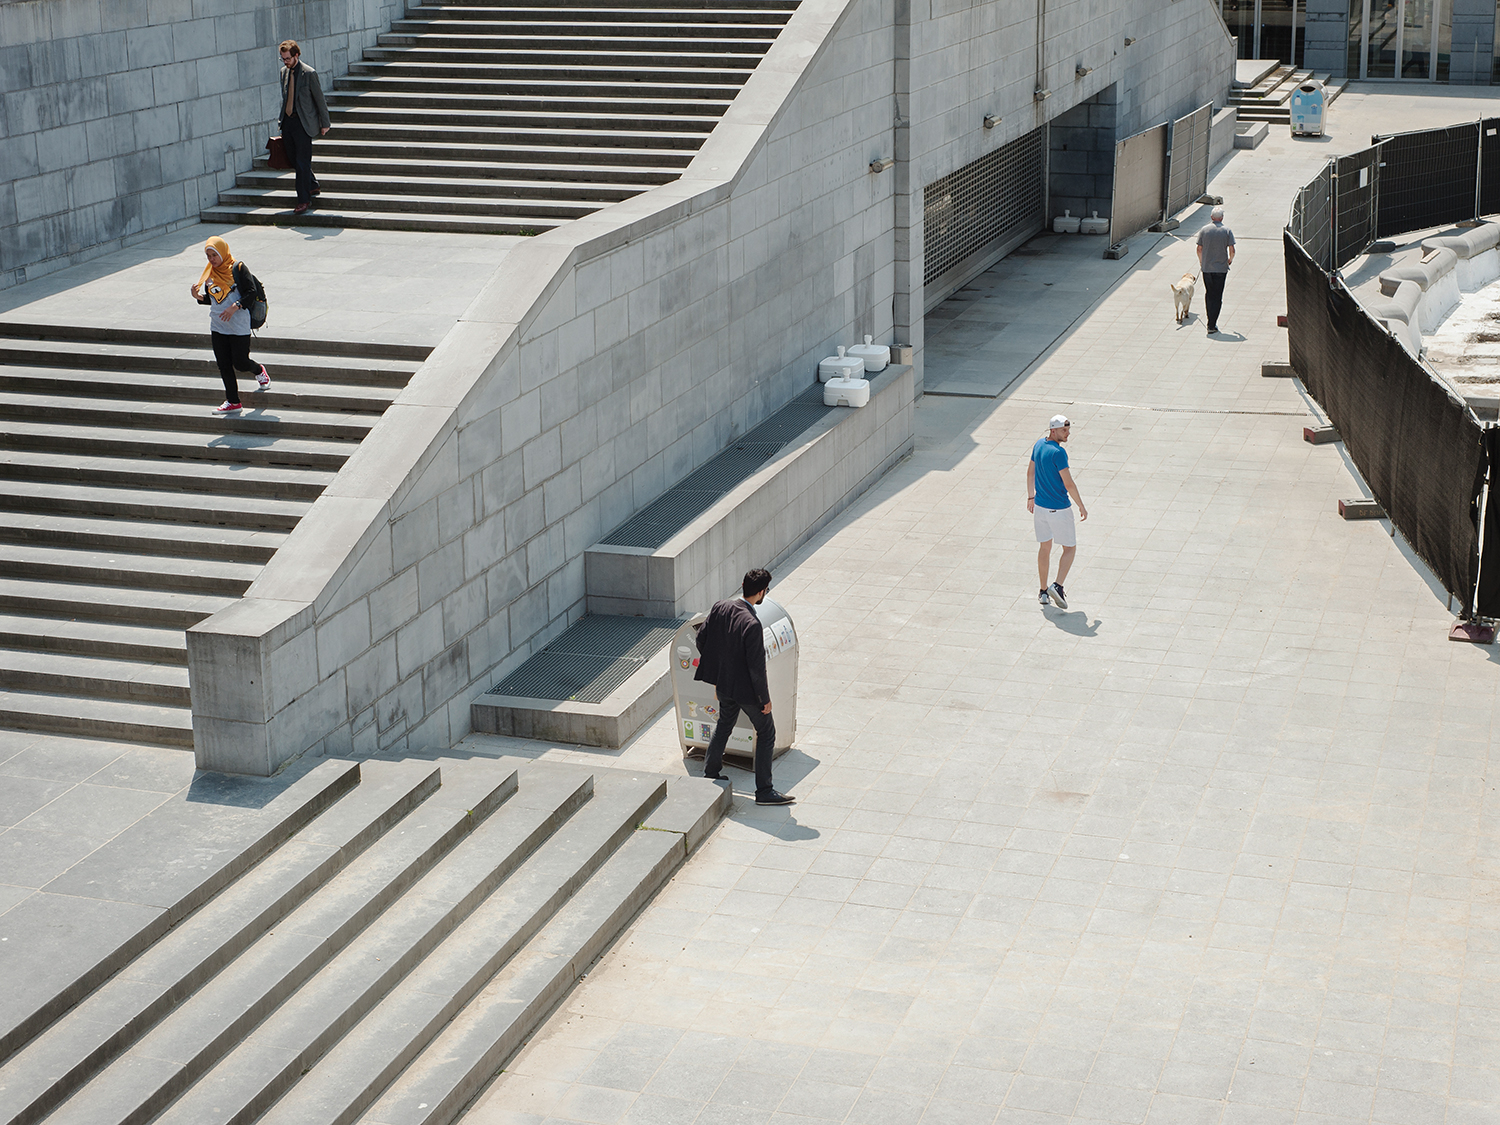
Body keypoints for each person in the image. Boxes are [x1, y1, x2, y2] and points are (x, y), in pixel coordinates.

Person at [693, 567, 795, 806]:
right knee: (767, 732)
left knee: (724, 723)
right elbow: (756, 669)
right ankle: (764, 791)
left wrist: (720, 672)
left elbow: (701, 640)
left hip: (725, 686)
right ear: (761, 592)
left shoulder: (721, 607)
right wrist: (765, 699)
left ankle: (710, 772)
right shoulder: (752, 624)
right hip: (747, 691)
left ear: (742, 584)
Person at [191, 236, 270, 414]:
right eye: (208, 256)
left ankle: (258, 370)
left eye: (214, 255)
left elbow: (251, 293)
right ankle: (233, 401)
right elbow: (214, 299)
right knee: (224, 364)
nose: (211, 259)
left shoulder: (238, 268)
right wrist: (198, 298)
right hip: (218, 326)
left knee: (241, 363)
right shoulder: (209, 273)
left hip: (238, 324)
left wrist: (235, 307)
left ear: (223, 252)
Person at [1027, 414, 1088, 609]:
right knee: (1069, 548)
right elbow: (1068, 483)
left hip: (1040, 509)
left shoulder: (1038, 445)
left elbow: (1030, 472)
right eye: (1064, 430)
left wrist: (1030, 497)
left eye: (1068, 430)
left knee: (1045, 548)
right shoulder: (1058, 453)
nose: (1067, 433)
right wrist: (1081, 505)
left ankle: (1043, 591)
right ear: (1053, 430)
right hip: (1059, 509)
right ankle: (1058, 586)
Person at [278, 40, 331, 215]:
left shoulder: (309, 74)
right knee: (293, 159)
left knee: (302, 163)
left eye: (287, 58)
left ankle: (303, 201)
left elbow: (320, 100)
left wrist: (325, 123)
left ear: (296, 56)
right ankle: (313, 184)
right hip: (288, 121)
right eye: (283, 59)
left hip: (303, 123)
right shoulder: (283, 73)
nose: (285, 61)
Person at [1196, 206, 1236, 334]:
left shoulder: (1204, 230)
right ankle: (1212, 324)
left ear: (1212, 217)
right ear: (1222, 218)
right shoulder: (1227, 231)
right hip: (1221, 269)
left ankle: (1209, 321)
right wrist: (1230, 259)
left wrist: (1202, 262)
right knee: (1217, 296)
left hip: (1207, 268)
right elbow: (1232, 249)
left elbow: (1199, 249)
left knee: (1209, 294)